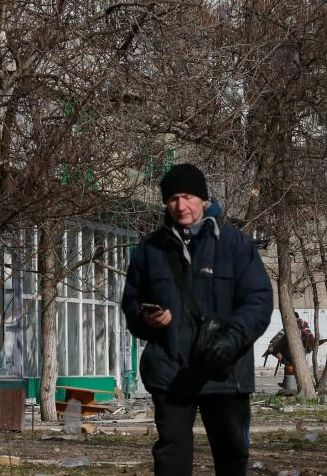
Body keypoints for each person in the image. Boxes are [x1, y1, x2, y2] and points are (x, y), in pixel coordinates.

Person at [121, 163, 273, 475]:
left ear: (203, 199)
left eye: (188, 197)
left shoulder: (235, 244)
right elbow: (131, 305)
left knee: (231, 457)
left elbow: (258, 301)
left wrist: (231, 338)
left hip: (224, 369)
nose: (181, 206)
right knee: (171, 459)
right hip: (171, 371)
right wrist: (146, 319)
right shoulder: (150, 249)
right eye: (173, 198)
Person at [264, 312, 316, 395]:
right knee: (289, 364)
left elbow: (278, 342)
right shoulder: (304, 329)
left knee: (285, 360)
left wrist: (275, 351)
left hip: (290, 356)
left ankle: (288, 384)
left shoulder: (291, 330)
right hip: (298, 355)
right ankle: (287, 383)